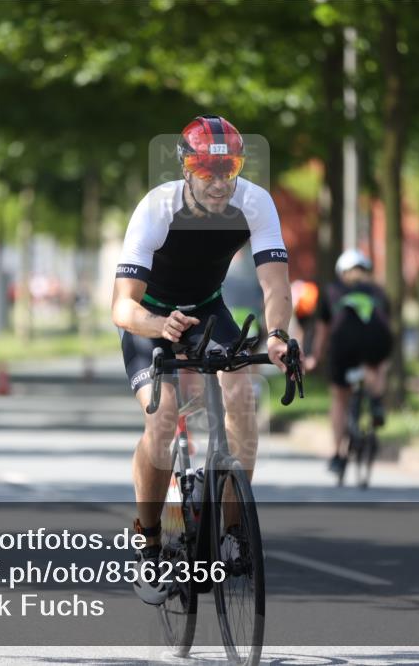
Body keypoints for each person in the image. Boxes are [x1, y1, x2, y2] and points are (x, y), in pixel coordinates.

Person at [111, 115, 295, 604]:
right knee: (163, 415)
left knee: (242, 397)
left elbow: (275, 285)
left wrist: (278, 335)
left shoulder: (254, 202)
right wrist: (158, 326)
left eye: (227, 169)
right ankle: (148, 542)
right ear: (185, 168)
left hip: (208, 311)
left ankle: (232, 532)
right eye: (205, 169)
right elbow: (121, 306)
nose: (218, 182)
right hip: (150, 318)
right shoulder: (158, 208)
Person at [305, 249, 392, 477]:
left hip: (343, 344)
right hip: (375, 343)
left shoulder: (332, 291)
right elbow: (385, 326)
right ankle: (375, 400)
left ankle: (337, 454)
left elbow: (323, 331)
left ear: (341, 272)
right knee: (378, 363)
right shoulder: (379, 292)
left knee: (339, 399)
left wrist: (315, 357)